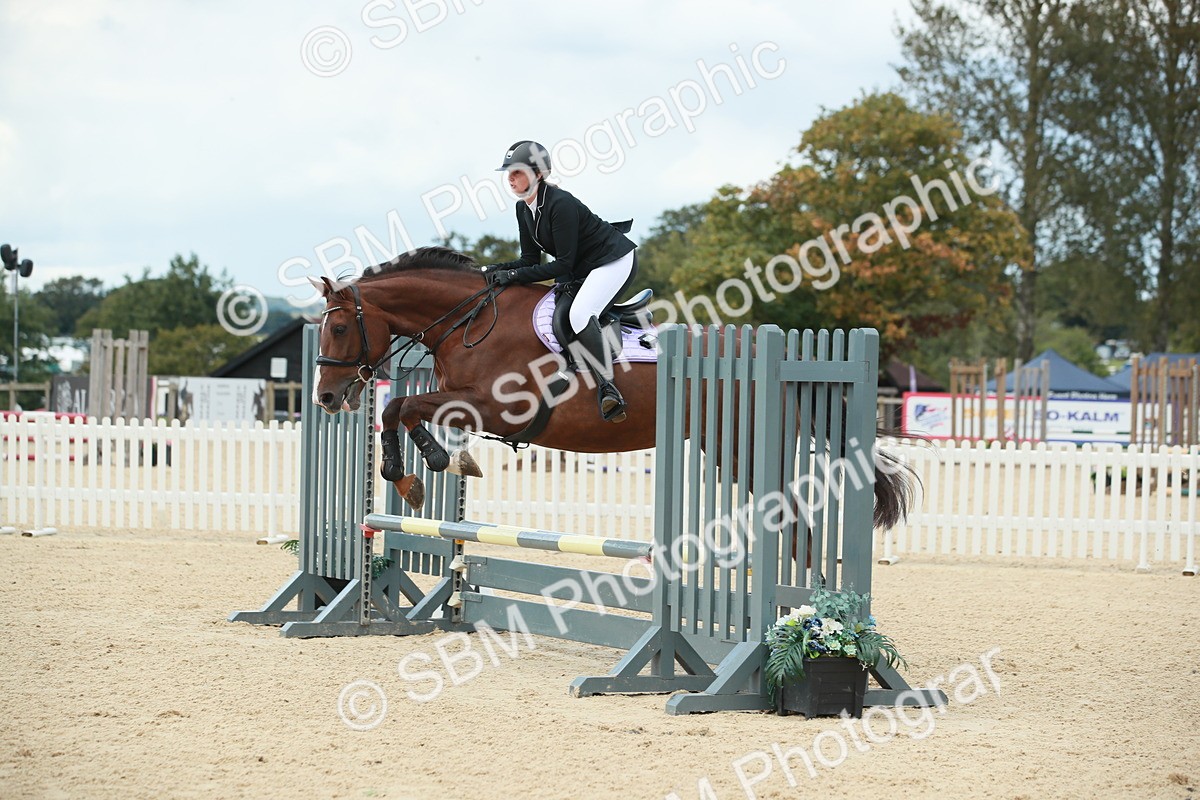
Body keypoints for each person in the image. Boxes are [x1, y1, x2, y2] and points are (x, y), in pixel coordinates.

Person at [484, 140, 637, 423]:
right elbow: (530, 260)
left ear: (539, 174)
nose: (510, 178)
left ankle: (608, 388)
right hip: (582, 267)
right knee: (557, 318)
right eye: (508, 172)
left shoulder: (560, 203)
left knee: (579, 315)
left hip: (612, 261)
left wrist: (514, 277)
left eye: (517, 171)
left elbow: (563, 263)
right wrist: (495, 269)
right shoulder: (523, 208)